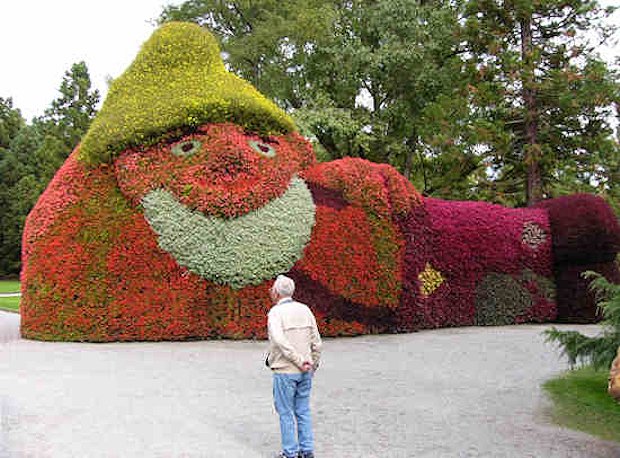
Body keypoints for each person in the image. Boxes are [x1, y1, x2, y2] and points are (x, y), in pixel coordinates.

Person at [266, 275, 322, 458]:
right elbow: (316, 341)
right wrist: (313, 363)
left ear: (275, 292)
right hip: (306, 370)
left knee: (285, 412)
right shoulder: (305, 310)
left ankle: (290, 452)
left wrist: (298, 360)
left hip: (285, 370)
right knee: (303, 410)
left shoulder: (275, 313)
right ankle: (307, 450)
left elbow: (280, 341)